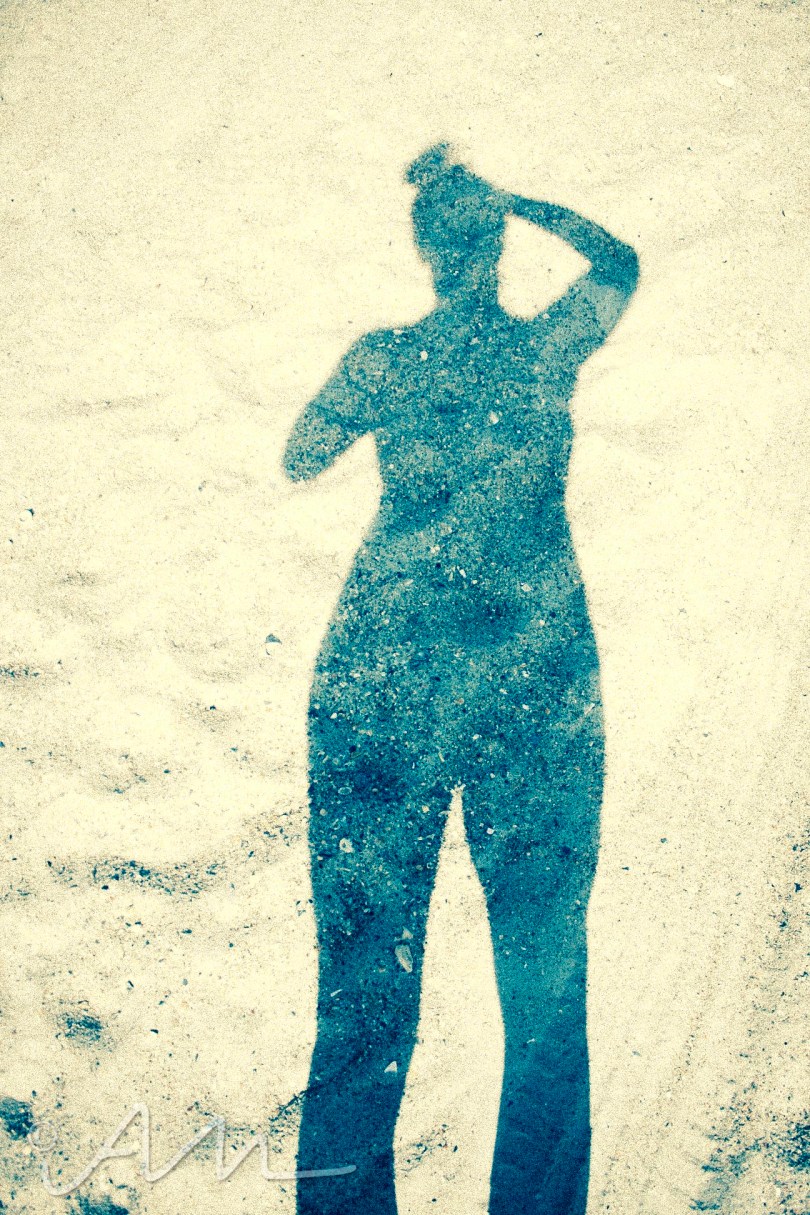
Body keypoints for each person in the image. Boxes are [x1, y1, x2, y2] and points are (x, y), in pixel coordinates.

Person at [283, 143, 638, 1215]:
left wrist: (387, 412)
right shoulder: (545, 350)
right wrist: (518, 197)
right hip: (532, 681)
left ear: (425, 251)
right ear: (494, 245)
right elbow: (619, 262)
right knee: (545, 991)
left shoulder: (385, 360)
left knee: (361, 998)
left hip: (386, 674)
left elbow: (303, 453)